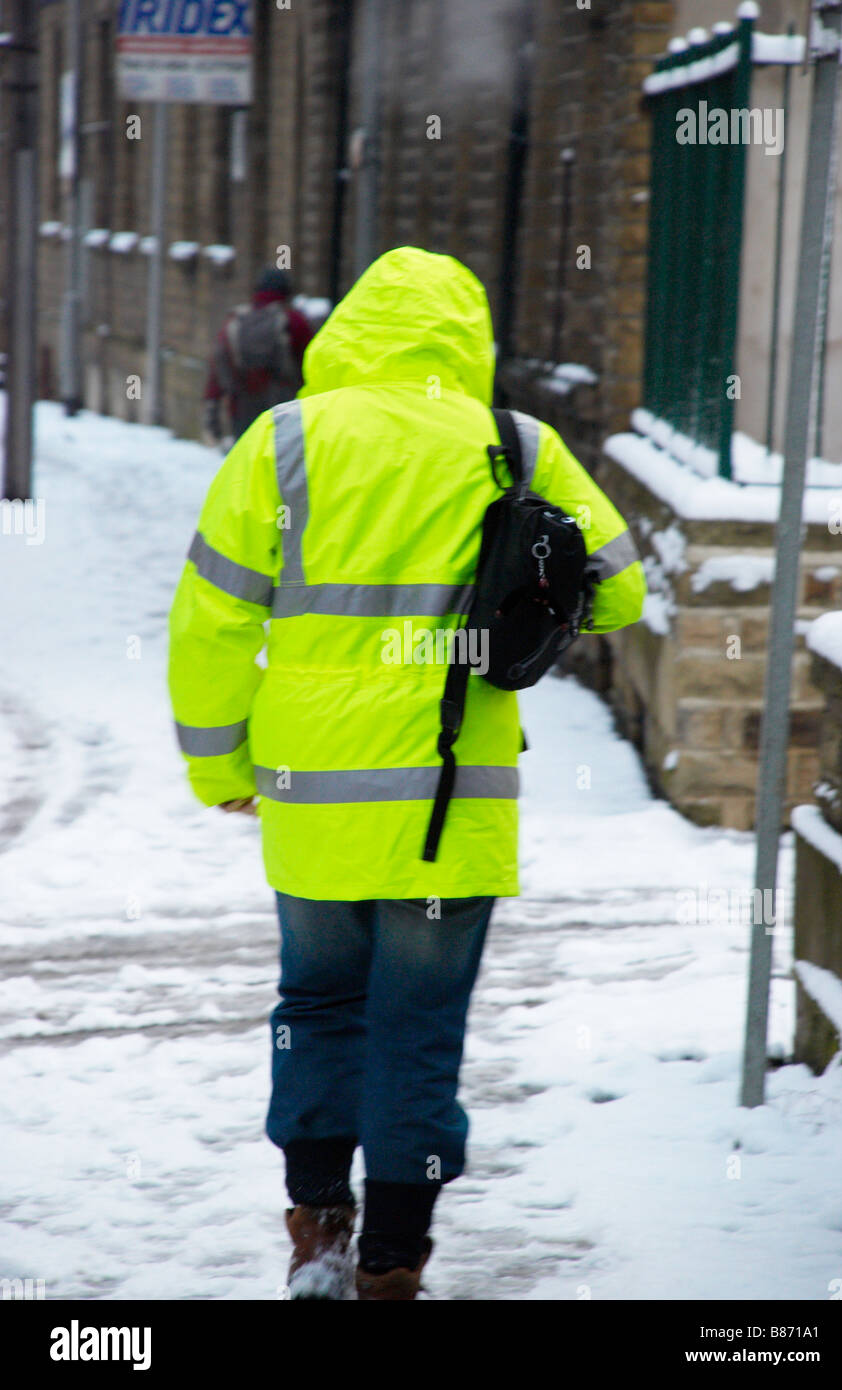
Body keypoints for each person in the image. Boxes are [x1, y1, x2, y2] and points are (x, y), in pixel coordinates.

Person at [168, 246, 646, 1300]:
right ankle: (393, 1260)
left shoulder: (282, 441)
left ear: (347, 333)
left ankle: (315, 1229)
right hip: (451, 802)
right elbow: (620, 593)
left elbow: (209, 619)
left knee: (316, 1003)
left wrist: (219, 767)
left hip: (308, 792)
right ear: (465, 338)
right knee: (418, 1027)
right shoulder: (515, 443)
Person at [202, 267, 313, 447]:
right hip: (285, 410)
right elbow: (312, 366)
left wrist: (212, 414)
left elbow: (218, 368)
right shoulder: (295, 321)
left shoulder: (235, 321)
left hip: (241, 410)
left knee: (247, 467)